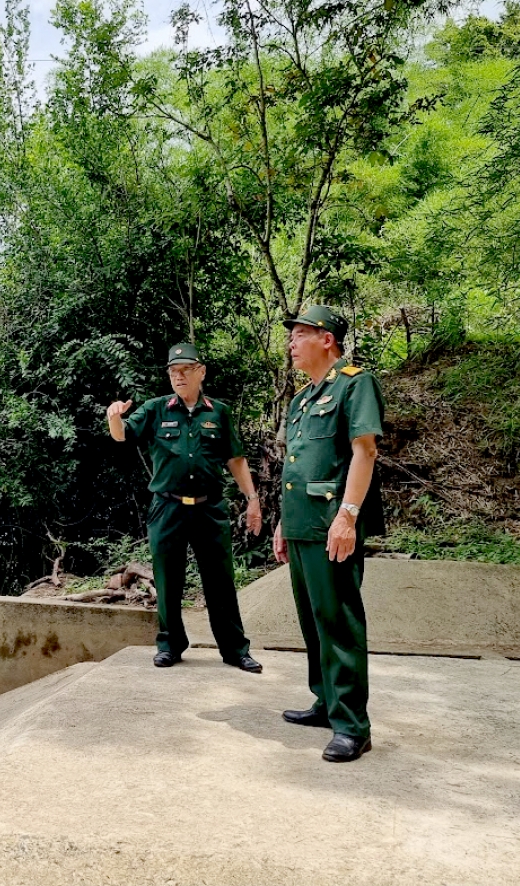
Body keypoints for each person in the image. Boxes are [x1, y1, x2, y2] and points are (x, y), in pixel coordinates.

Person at [107, 342, 263, 672]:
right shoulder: (155, 408)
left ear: (201, 372)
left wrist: (252, 500)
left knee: (220, 580)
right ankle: (170, 644)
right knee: (168, 578)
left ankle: (235, 649)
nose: (178, 376)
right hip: (168, 508)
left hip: (209, 508)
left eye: (185, 370)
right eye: (173, 371)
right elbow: (122, 436)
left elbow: (236, 459)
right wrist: (115, 417)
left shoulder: (218, 412)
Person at [272, 305, 384, 763]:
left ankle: (353, 726)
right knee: (313, 621)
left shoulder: (356, 383)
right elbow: (296, 465)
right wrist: (282, 521)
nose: (292, 343)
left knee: (338, 622)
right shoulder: (301, 399)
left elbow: (366, 451)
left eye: (300, 335)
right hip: (301, 526)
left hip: (331, 525)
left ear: (327, 339)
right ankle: (326, 702)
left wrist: (348, 515)